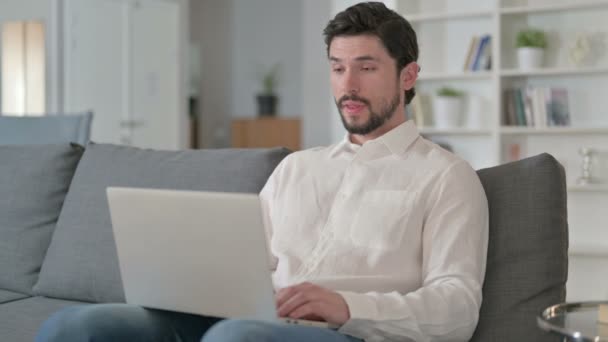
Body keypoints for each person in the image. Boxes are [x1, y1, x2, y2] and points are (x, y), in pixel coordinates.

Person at [36, 2, 488, 342]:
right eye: (337, 68)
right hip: (244, 317)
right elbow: (245, 261)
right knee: (79, 326)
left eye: (366, 68)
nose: (348, 86)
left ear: (408, 76)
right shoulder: (297, 168)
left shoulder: (446, 176)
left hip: (346, 333)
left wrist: (347, 306)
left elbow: (458, 307)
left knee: (235, 339)